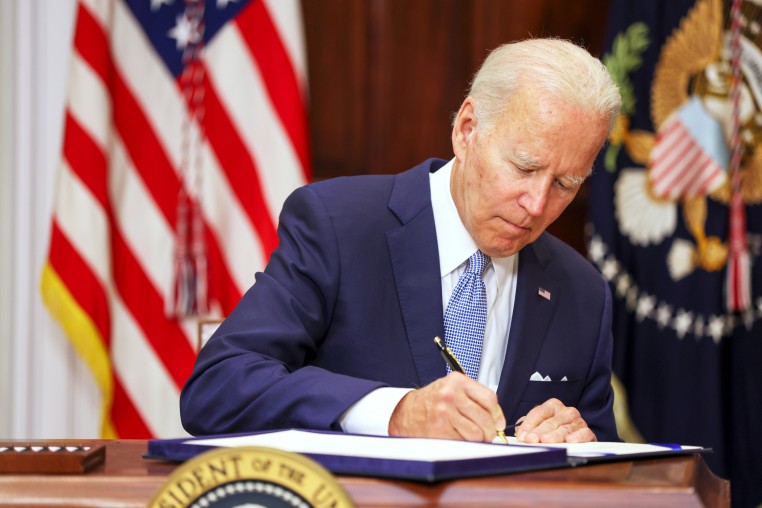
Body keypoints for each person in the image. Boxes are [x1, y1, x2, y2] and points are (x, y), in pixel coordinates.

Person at [180, 38, 622, 444]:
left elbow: (614, 473)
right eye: (524, 168)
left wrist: (580, 444)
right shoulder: (338, 227)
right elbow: (218, 388)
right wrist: (393, 412)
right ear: (467, 130)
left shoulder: (582, 292)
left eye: (566, 184)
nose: (537, 203)